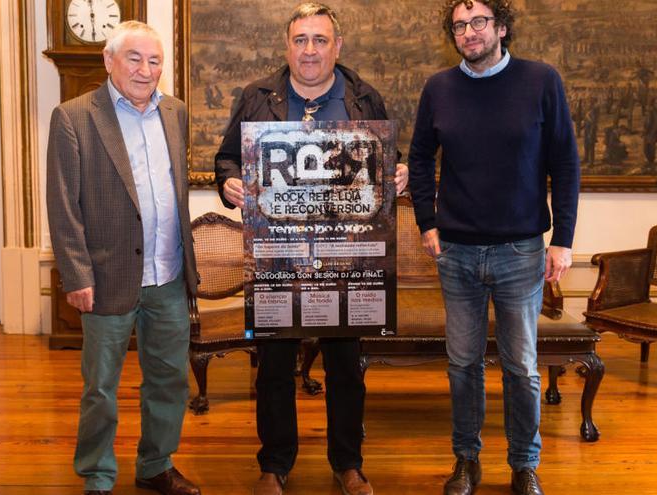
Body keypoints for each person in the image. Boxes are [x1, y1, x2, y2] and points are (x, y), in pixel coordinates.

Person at [213, 4, 408, 495]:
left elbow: (390, 158)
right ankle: (274, 465)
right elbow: (226, 158)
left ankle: (348, 463)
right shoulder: (257, 97)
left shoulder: (365, 98)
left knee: (346, 368)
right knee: (274, 367)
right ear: (287, 47)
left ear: (337, 47)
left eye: (320, 40)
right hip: (280, 256)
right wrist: (230, 181)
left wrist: (398, 173)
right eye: (300, 40)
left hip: (349, 257)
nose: (310, 50)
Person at [407, 2, 580, 495]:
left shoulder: (541, 80)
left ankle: (524, 465)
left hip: (521, 250)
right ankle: (466, 461)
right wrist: (426, 220)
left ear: (501, 27)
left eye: (479, 22)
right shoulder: (438, 88)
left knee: (521, 366)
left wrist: (563, 239)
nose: (469, 32)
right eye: (459, 26)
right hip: (456, 251)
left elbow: (565, 163)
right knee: (462, 364)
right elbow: (419, 158)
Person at [46, 21, 201, 495]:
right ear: (109, 61)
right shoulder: (74, 116)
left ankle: (156, 464)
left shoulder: (174, 112)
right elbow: (62, 203)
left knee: (170, 380)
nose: (145, 69)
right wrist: (75, 274)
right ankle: (97, 474)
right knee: (100, 388)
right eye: (134, 58)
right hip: (106, 275)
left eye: (154, 60)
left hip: (168, 273)